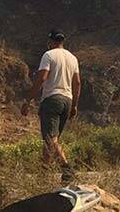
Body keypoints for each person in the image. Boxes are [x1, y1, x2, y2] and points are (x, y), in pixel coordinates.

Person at [22, 30, 81, 183]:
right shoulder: (72, 58)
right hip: (67, 100)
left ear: (50, 41)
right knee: (51, 140)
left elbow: (42, 78)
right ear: (62, 41)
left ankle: (66, 168)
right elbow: (77, 83)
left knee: (50, 138)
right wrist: (74, 105)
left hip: (52, 100)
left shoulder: (48, 55)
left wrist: (28, 100)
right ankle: (43, 175)